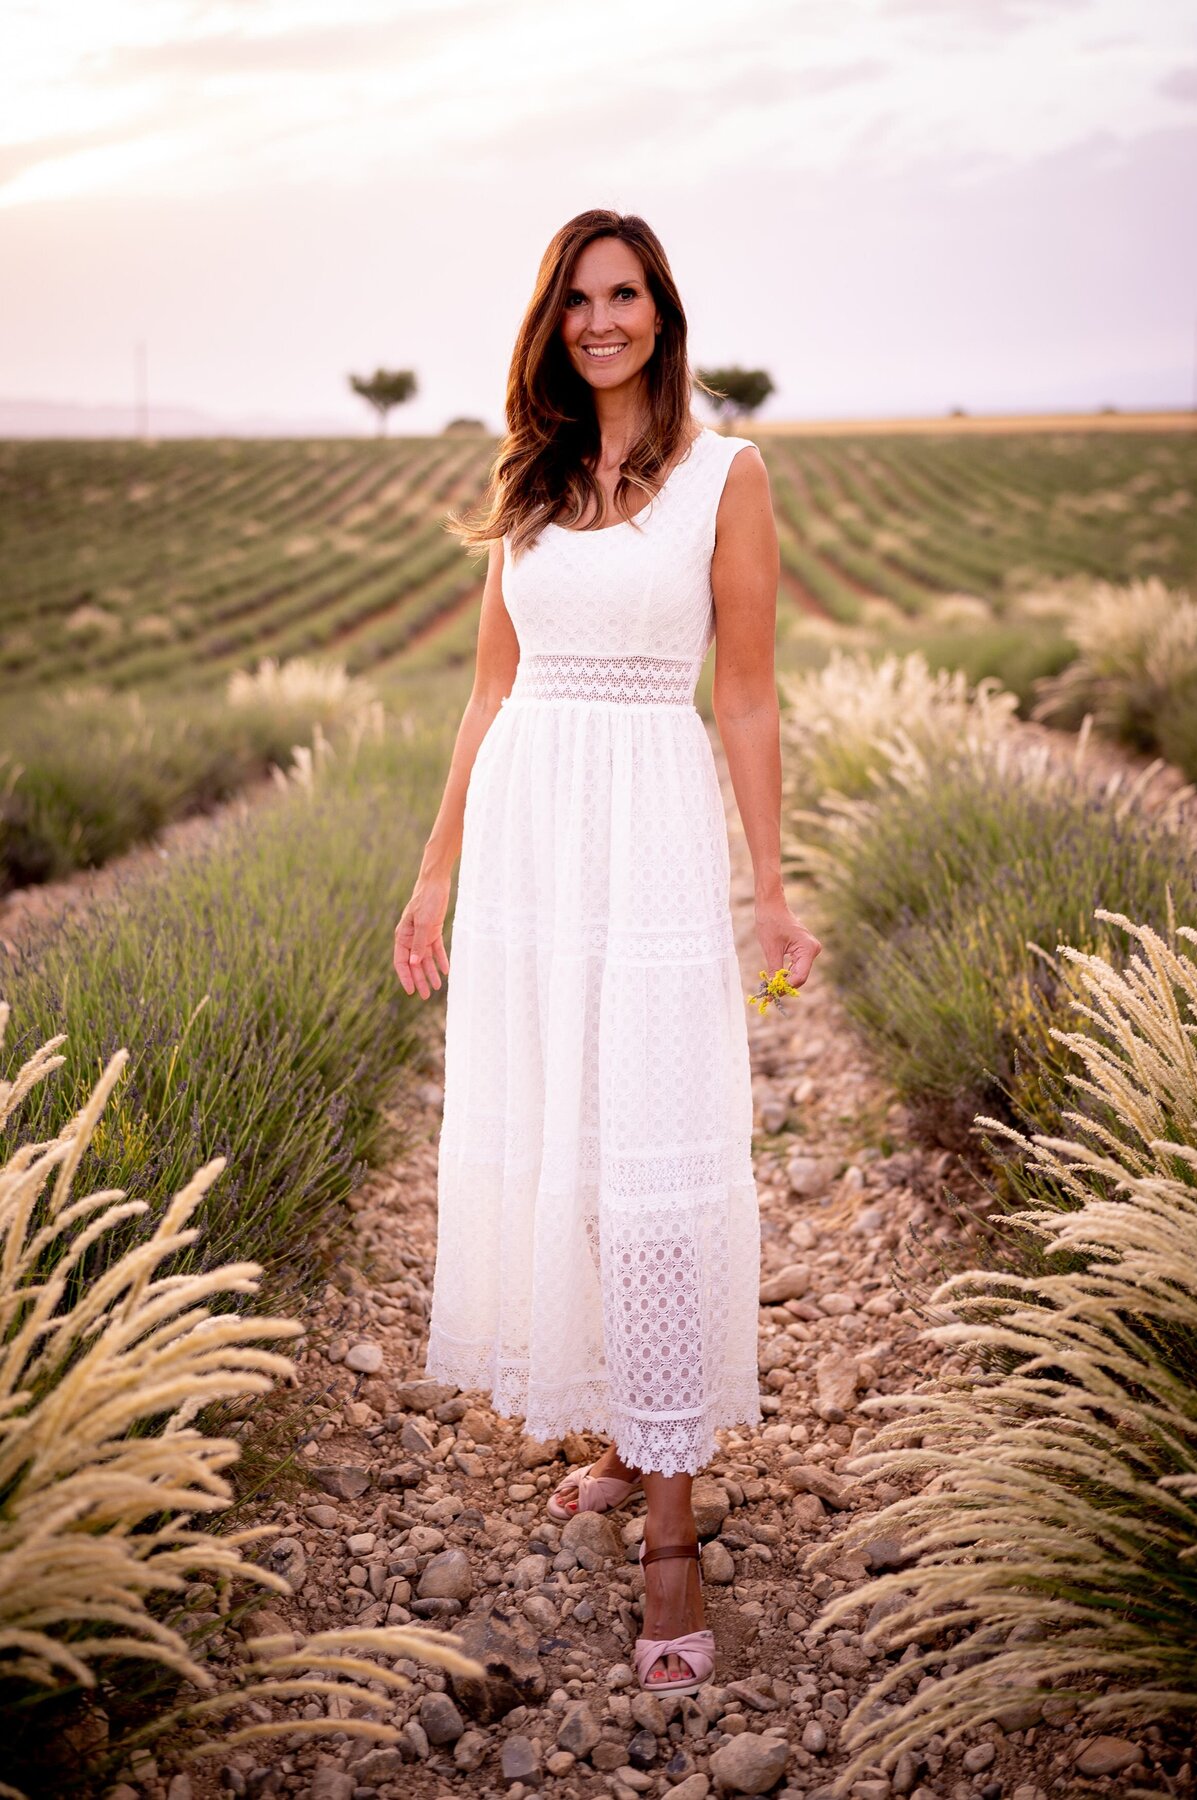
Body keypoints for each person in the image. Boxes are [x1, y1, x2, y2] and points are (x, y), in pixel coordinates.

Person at [393, 208, 821, 1694]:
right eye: (577, 297)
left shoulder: (727, 476)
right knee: (570, 1142)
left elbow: (751, 697)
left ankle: (675, 1539)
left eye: (625, 294)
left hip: (644, 828)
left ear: (663, 309)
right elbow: (485, 693)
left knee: (655, 1155)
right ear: (551, 317)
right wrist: (434, 874)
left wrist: (773, 888)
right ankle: (623, 1443)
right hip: (526, 846)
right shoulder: (527, 478)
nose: (601, 320)